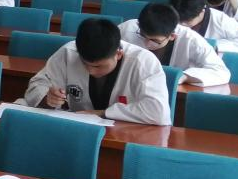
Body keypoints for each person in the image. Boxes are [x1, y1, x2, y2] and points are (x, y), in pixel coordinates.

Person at [21, 18, 170, 125]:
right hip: (76, 127)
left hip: (126, 132)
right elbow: (37, 84)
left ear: (118, 54)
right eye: (85, 64)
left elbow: (158, 112)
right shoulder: (69, 52)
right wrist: (48, 98)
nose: (91, 71)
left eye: (98, 66)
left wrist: (104, 113)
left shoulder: (143, 62)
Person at [119, 3, 230, 87]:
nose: (147, 44)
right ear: (138, 24)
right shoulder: (127, 28)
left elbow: (221, 71)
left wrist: (185, 76)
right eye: (142, 35)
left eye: (155, 40)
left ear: (172, 36)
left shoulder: (191, 40)